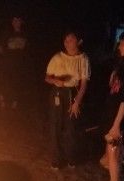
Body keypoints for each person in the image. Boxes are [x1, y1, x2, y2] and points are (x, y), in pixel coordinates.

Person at [94, 32, 124, 181]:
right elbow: (113, 88)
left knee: (113, 150)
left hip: (118, 116)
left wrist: (117, 124)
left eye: (123, 42)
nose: (119, 45)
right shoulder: (121, 65)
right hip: (111, 112)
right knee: (110, 154)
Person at [45, 31, 90, 169]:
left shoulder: (83, 59)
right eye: (66, 40)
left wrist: (77, 102)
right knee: (55, 126)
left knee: (71, 127)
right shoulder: (57, 58)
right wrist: (55, 80)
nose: (67, 42)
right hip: (58, 93)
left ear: (79, 41)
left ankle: (71, 157)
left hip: (73, 93)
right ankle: (56, 159)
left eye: (71, 39)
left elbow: (84, 84)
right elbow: (47, 77)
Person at [0, 16, 28, 110]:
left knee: (17, 82)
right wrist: (6, 56)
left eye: (18, 21)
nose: (16, 22)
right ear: (12, 23)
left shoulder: (24, 34)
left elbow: (27, 48)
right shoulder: (7, 33)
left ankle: (15, 102)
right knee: (4, 81)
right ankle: (2, 101)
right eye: (15, 21)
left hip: (19, 63)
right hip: (7, 62)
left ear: (21, 22)